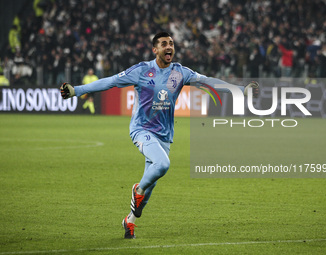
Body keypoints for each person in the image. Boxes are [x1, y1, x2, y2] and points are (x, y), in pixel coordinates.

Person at [60, 32, 259, 239]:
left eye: (171, 43)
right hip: (142, 130)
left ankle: (129, 221)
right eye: (164, 44)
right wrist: (77, 90)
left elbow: (209, 82)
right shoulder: (141, 70)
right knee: (162, 166)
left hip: (164, 136)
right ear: (155, 50)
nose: (169, 46)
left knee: (147, 193)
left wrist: (240, 90)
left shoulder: (181, 73)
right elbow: (110, 81)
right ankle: (137, 188)